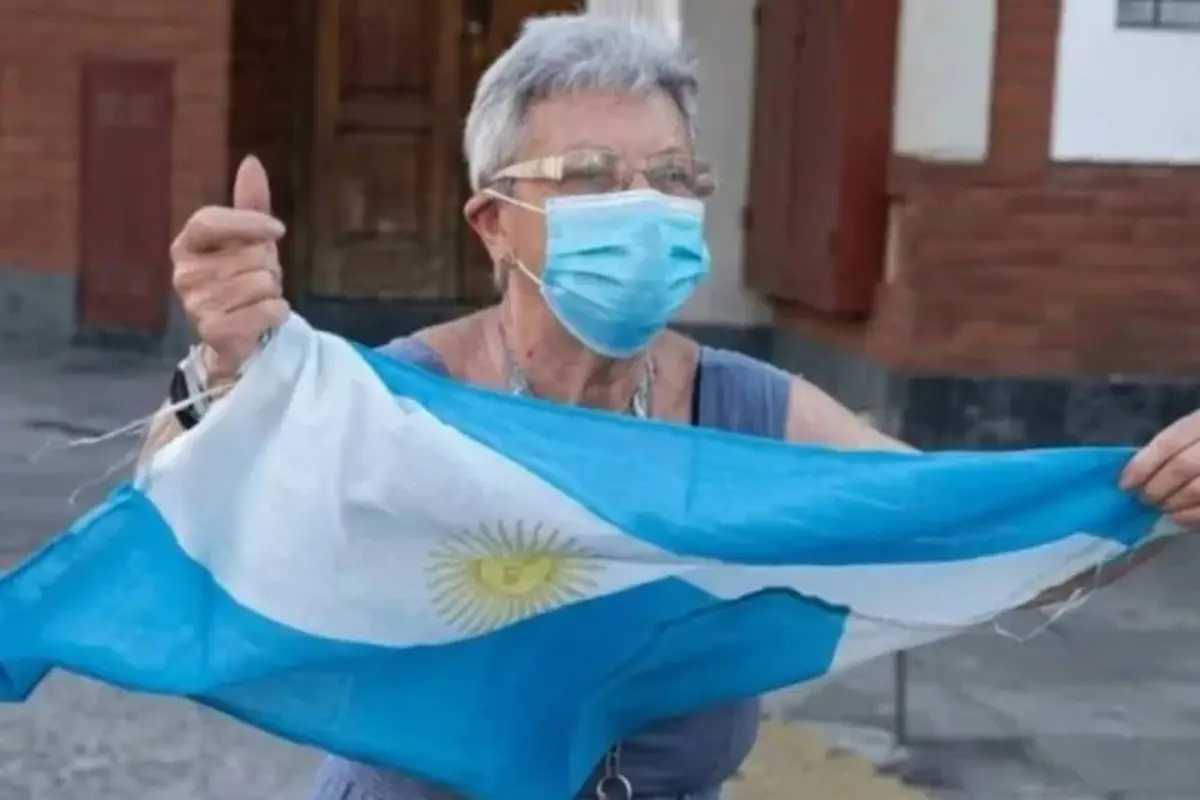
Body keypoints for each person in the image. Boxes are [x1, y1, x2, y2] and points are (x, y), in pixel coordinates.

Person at [147, 13, 1200, 800]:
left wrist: (1153, 501)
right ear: (495, 223)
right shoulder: (405, 396)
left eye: (668, 176)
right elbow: (183, 502)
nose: (641, 207)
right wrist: (229, 372)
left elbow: (969, 544)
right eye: (591, 176)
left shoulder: (752, 412)